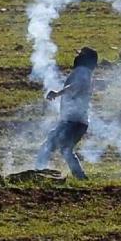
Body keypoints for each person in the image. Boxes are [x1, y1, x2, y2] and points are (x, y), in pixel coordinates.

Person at [37, 46, 98, 180]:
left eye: (80, 55)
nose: (77, 57)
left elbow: (74, 86)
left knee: (53, 146)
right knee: (63, 148)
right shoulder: (85, 73)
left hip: (73, 121)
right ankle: (80, 177)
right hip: (74, 121)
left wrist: (57, 93)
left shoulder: (81, 72)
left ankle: (38, 172)